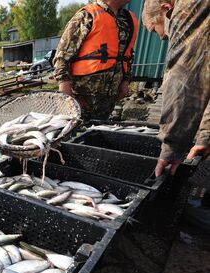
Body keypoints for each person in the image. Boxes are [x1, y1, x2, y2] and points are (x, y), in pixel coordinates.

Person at [141, 0, 209, 177]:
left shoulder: (187, 6)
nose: (163, 38)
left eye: (156, 30)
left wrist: (172, 148)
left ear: (166, 8)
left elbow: (183, 77)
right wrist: (206, 135)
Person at [53, 0, 138, 121]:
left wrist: (125, 81)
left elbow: (127, 55)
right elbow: (62, 56)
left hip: (108, 101)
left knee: (97, 134)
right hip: (81, 99)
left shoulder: (127, 20)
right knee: (74, 136)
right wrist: (65, 91)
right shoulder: (86, 16)